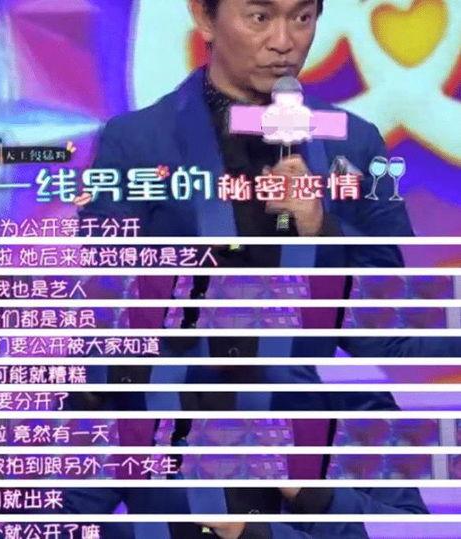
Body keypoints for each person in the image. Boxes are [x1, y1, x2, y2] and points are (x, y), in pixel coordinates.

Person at [64, 0, 461, 537]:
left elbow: (393, 326)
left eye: (302, 18)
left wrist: (323, 231)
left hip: (309, 422)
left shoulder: (351, 141)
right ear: (205, 18)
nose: (284, 41)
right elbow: (110, 305)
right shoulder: (139, 141)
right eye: (260, 17)